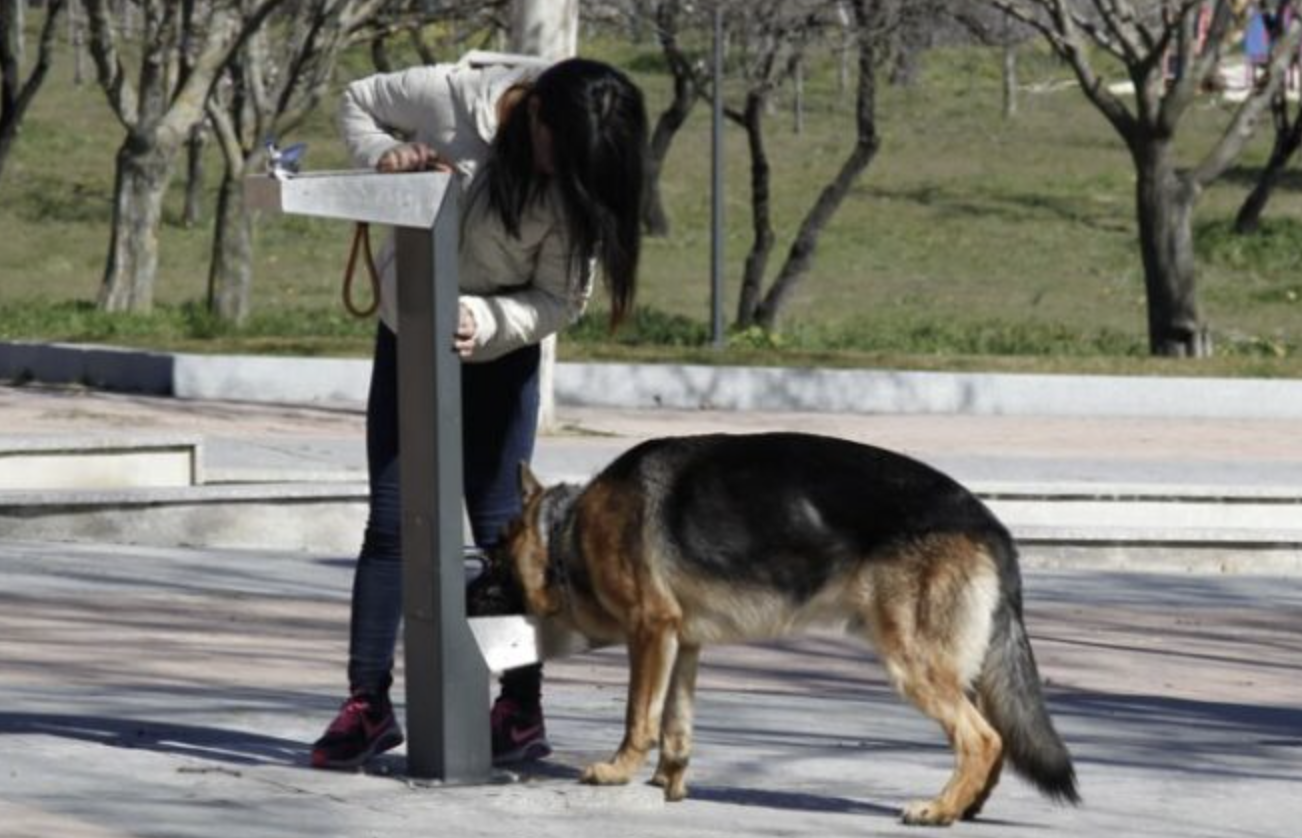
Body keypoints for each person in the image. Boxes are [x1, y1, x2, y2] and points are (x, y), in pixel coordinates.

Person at [311, 52, 648, 770]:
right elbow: (357, 99)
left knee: (504, 534)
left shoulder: (575, 179)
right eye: (561, 153)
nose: (563, 174)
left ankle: (519, 707)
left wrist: (486, 320)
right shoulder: (448, 97)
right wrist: (385, 157)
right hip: (408, 334)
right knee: (392, 521)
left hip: (498, 354)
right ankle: (367, 703)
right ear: (536, 113)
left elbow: (559, 299)